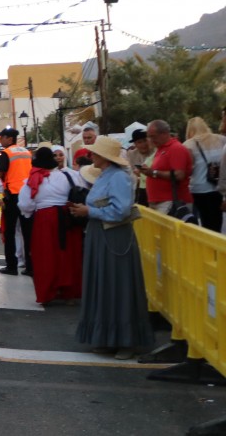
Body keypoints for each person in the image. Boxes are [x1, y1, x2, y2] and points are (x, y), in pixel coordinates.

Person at [70, 136, 154, 360]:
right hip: (104, 235)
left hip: (113, 237)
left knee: (118, 286)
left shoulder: (118, 176)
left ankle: (125, 341)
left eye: (94, 152)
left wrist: (89, 211)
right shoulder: (108, 175)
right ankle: (110, 338)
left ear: (104, 156)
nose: (91, 155)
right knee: (107, 285)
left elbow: (121, 210)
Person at [18, 147, 83, 306]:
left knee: (45, 256)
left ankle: (47, 292)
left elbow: (26, 205)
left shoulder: (31, 180)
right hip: (66, 217)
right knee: (67, 255)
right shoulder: (67, 176)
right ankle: (69, 292)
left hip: (44, 219)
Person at [0, 127, 32, 276]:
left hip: (13, 197)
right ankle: (30, 267)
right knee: (27, 232)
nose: (0, 139)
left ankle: (11, 266)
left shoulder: (7, 153)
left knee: (9, 232)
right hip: (27, 195)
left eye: (2, 137)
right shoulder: (27, 152)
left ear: (9, 139)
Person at [143, 119, 192, 216]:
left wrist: (153, 173)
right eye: (149, 137)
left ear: (164, 133)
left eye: (153, 136)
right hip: (162, 202)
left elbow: (179, 175)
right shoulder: (161, 149)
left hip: (171, 202)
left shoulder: (175, 148)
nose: (151, 140)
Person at [184, 117, 224, 233]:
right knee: (217, 219)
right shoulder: (221, 139)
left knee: (205, 220)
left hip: (198, 188)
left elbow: (189, 170)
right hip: (218, 187)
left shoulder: (188, 144)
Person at [126, 129, 154, 207]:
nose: (143, 144)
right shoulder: (131, 154)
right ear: (135, 144)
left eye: (145, 140)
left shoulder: (155, 152)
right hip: (139, 189)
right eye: (139, 142)